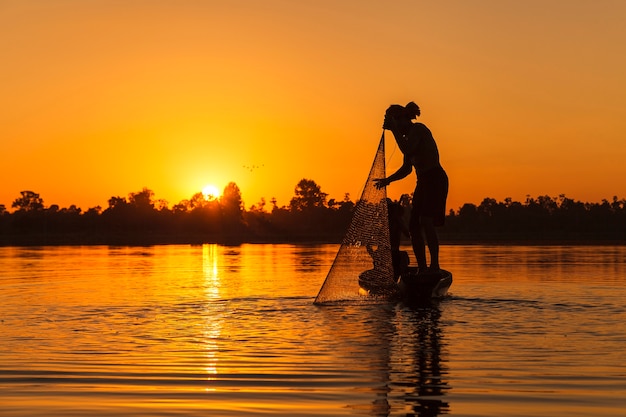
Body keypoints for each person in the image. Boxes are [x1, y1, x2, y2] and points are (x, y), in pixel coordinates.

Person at [374, 102, 449, 273]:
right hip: (422, 181)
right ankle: (422, 268)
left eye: (396, 122)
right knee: (414, 226)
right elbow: (407, 169)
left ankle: (434, 266)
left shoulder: (418, 130)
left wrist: (393, 130)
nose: (396, 128)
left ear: (403, 119)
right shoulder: (407, 138)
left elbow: (407, 148)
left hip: (436, 178)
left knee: (426, 221)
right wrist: (388, 180)